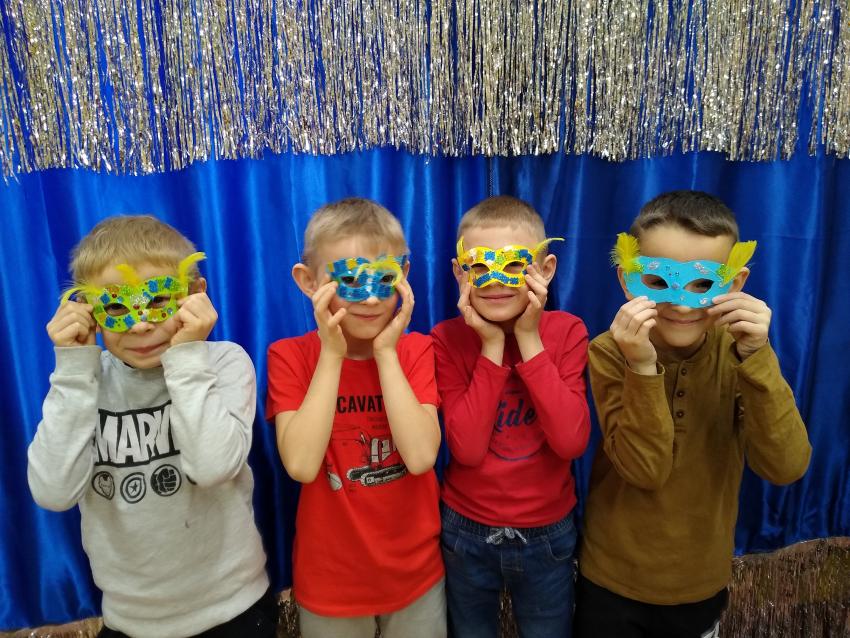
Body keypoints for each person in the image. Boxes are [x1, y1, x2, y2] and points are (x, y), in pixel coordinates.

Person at [574, 190, 812, 638]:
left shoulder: (739, 352)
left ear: (735, 284)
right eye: (659, 281)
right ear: (628, 279)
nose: (682, 305)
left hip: (699, 582)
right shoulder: (610, 351)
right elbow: (645, 470)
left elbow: (786, 465)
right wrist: (641, 366)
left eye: (703, 284)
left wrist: (756, 358)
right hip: (612, 579)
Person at [28, 215, 275, 637]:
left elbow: (212, 468)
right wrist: (73, 369)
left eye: (159, 300)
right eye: (117, 307)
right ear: (88, 310)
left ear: (195, 295)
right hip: (131, 620)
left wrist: (187, 356)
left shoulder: (223, 363)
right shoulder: (82, 383)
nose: (141, 324)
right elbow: (53, 492)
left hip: (235, 607)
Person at [266, 198, 445, 638]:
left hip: (416, 576)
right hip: (331, 582)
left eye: (384, 279)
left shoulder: (416, 350)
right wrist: (332, 354)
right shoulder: (290, 357)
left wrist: (386, 353)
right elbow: (302, 465)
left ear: (403, 275)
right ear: (308, 281)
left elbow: (421, 457)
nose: (370, 298)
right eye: (349, 279)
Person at [432, 195, 590, 637]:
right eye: (480, 267)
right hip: (466, 530)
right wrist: (491, 345)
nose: (496, 281)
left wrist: (528, 338)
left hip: (548, 532)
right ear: (460, 272)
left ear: (545, 269)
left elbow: (571, 442)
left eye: (515, 265)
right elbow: (466, 450)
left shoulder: (568, 332)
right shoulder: (445, 339)